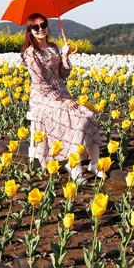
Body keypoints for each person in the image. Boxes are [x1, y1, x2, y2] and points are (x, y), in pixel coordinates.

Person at [22, 13, 102, 182]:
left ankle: (95, 164)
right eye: (35, 27)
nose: (40, 29)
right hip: (42, 98)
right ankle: (74, 166)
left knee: (88, 115)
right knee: (73, 118)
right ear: (30, 31)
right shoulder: (31, 53)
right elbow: (39, 83)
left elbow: (63, 74)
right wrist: (59, 100)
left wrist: (65, 56)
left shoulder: (53, 47)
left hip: (61, 94)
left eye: (43, 25)